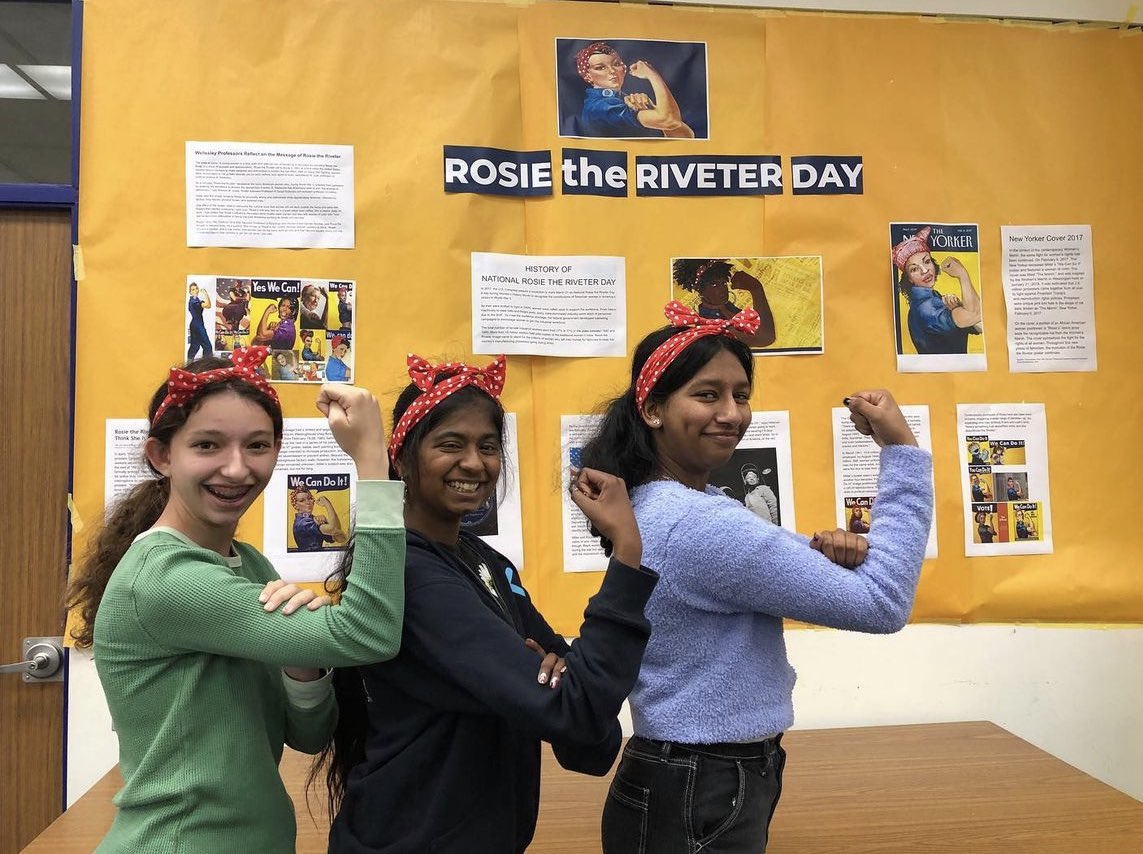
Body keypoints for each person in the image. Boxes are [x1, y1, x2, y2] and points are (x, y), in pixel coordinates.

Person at [579, 300, 933, 853]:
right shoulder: (697, 524)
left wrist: (831, 554)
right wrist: (901, 450)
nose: (731, 413)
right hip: (701, 782)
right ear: (651, 409)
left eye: (741, 395)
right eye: (707, 394)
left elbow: (781, 563)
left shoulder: (670, 505)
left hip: (691, 777)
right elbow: (882, 602)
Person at [64, 347, 406, 854]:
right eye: (207, 445)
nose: (236, 468)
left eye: (257, 445)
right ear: (162, 456)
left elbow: (309, 735)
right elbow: (370, 632)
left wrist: (303, 664)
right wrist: (373, 463)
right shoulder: (163, 578)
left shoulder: (249, 565)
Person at [320, 354, 659, 854]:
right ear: (402, 459)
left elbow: (590, 742)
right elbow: (578, 712)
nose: (475, 463)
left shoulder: (488, 563)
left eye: (488, 446)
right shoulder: (411, 576)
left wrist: (565, 684)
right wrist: (626, 552)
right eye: (450, 444)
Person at [573, 41, 694, 138]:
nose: (612, 71)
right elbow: (669, 120)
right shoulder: (600, 107)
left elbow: (685, 136)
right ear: (588, 76)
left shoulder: (623, 100)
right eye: (600, 68)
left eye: (616, 64)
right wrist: (653, 75)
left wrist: (652, 109)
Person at [893, 226, 982, 355]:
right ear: (909, 279)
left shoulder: (934, 298)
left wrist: (957, 308)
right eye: (914, 269)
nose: (925, 270)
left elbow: (979, 326)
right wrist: (962, 274)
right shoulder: (925, 307)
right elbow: (975, 315)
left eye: (927, 261)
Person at [673, 258, 777, 349]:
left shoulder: (728, 308)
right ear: (700, 290)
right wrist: (756, 289)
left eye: (723, 283)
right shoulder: (710, 320)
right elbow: (766, 337)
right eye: (714, 285)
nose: (722, 289)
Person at [291, 486, 348, 551]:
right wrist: (328, 504)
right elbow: (334, 529)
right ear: (295, 506)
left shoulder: (313, 519)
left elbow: (341, 539)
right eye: (302, 500)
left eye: (309, 498)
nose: (308, 502)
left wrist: (326, 522)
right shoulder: (303, 523)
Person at [186, 282, 212, 361]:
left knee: (195, 346)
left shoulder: (196, 300)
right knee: (207, 346)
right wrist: (205, 293)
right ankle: (206, 364)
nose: (195, 291)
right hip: (198, 325)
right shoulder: (193, 301)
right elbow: (208, 305)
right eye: (193, 290)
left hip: (195, 324)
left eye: (196, 289)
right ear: (190, 292)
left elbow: (208, 305)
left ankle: (189, 363)